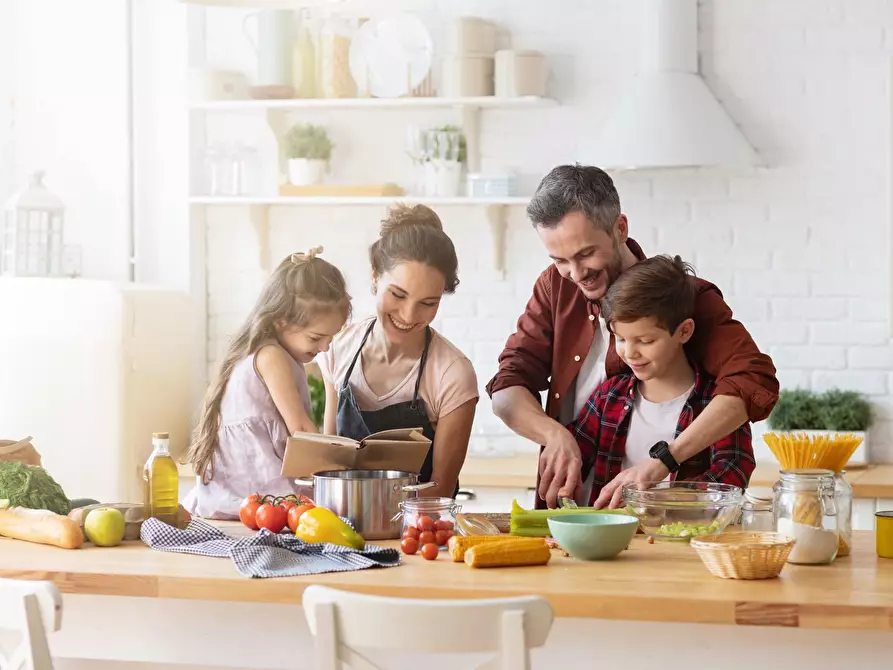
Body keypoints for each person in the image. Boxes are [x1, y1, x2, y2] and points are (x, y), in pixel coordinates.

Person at [486, 164, 778, 509]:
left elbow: (753, 380)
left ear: (620, 228)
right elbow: (507, 387)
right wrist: (554, 435)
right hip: (577, 512)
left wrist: (665, 463)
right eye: (560, 260)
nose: (575, 274)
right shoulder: (555, 286)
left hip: (668, 521)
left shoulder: (682, 297)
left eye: (585, 254)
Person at [317, 204, 479, 498]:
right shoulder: (337, 348)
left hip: (419, 531)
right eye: (398, 295)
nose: (408, 315)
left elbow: (440, 489)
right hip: (342, 525)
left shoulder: (452, 373)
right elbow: (331, 463)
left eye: (428, 303)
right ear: (375, 276)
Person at [573, 255, 756, 509]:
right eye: (621, 338)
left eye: (646, 341)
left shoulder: (717, 404)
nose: (630, 353)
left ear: (684, 331)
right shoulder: (608, 397)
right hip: (613, 542)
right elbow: (575, 457)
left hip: (685, 542)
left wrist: (656, 502)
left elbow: (733, 475)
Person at [183, 248, 351, 519]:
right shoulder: (272, 356)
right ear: (281, 321)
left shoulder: (267, 351)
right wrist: (341, 467)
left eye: (331, 337)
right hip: (256, 492)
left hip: (242, 493)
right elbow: (300, 429)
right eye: (316, 337)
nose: (325, 346)